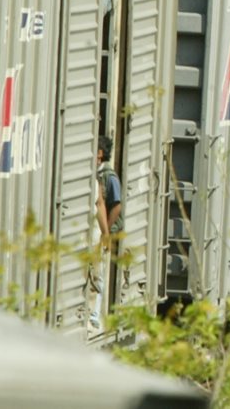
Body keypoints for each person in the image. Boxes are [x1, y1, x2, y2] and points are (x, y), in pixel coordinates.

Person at [91, 137, 122, 330]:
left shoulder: (109, 177)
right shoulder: (94, 175)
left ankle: (95, 315)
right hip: (96, 230)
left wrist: (106, 232)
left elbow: (115, 206)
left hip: (100, 231)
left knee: (98, 275)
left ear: (100, 154)